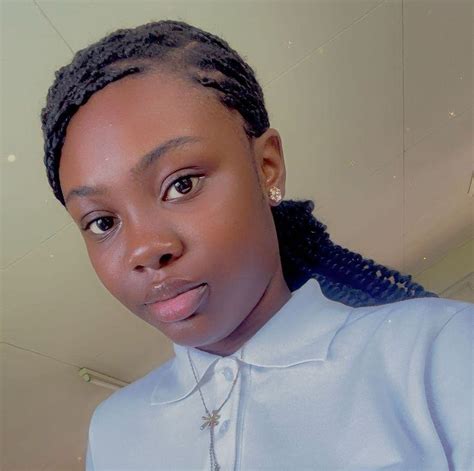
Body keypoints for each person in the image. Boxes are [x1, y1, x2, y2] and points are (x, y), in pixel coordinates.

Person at [40, 19, 472, 471]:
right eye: (102, 222)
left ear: (267, 167)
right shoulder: (113, 432)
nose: (145, 249)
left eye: (182, 184)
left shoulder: (435, 350)